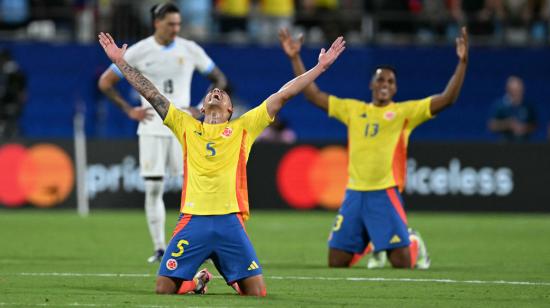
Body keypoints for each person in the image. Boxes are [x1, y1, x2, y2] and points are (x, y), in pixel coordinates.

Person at [98, 29, 345, 295]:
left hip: (230, 222)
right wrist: (121, 63)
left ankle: (231, 272)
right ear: (202, 108)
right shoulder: (184, 125)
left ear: (230, 109)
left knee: (257, 294)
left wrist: (320, 67)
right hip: (193, 220)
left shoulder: (244, 127)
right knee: (163, 289)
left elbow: (284, 94)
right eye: (212, 92)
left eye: (222, 94)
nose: (216, 91)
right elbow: (151, 93)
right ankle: (197, 281)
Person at [279, 27, 469, 269]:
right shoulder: (353, 109)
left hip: (384, 192)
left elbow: (447, 98)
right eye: (380, 78)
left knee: (401, 263)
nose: (385, 84)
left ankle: (412, 241)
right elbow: (313, 95)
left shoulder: (405, 113)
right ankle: (372, 241)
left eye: (390, 81)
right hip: (354, 193)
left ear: (396, 89)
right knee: (336, 262)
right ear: (371, 84)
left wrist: (462, 62)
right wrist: (295, 57)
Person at [98, 3, 228, 263]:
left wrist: (202, 107)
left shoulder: (190, 49)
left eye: (178, 24)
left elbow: (219, 79)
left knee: (193, 188)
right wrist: (128, 110)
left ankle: (196, 245)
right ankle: (160, 247)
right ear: (157, 23)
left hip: (185, 129)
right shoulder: (139, 50)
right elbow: (105, 82)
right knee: (154, 187)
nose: (176, 29)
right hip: (152, 127)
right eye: (171, 24)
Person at [488, 75, 537, 142]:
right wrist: (508, 124)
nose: (518, 92)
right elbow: (492, 125)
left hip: (524, 144)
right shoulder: (500, 106)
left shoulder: (528, 106)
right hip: (505, 144)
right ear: (508, 89)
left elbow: (534, 125)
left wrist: (524, 128)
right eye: (515, 90)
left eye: (520, 90)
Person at [0, 49, 26, 139]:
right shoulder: (4, 73)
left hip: (12, 103)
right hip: (5, 104)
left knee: (11, 122)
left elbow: (22, 93)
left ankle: (13, 134)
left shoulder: (15, 74)